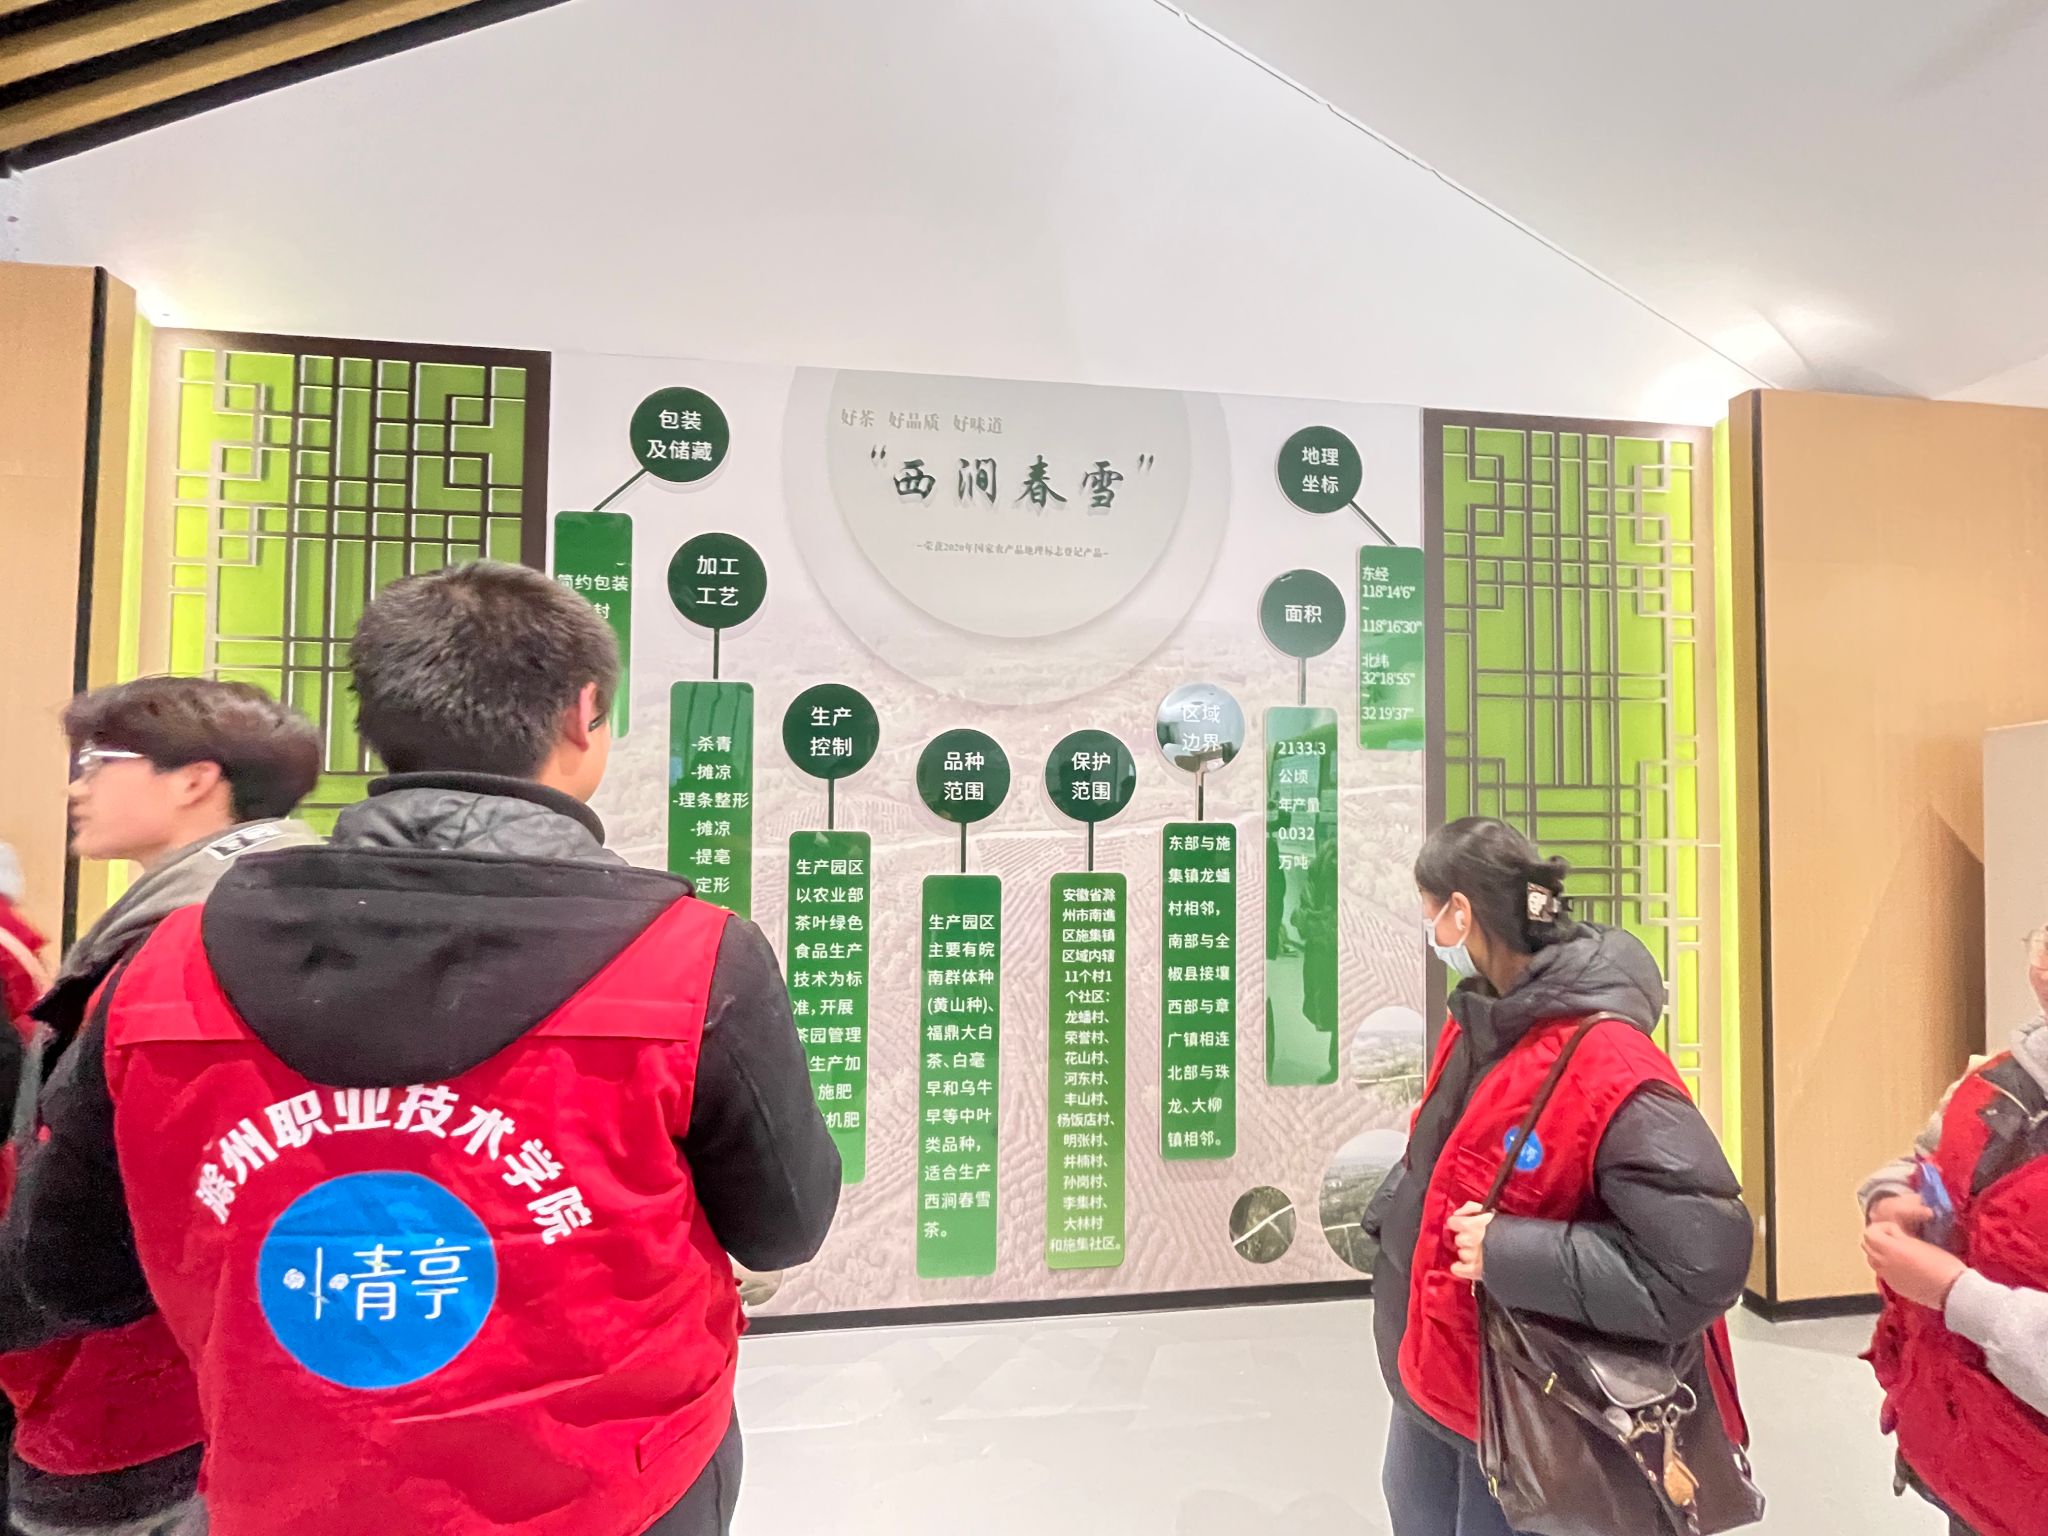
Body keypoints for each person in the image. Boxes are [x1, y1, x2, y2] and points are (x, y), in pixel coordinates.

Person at [14, 561, 840, 1536]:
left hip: (291, 1490)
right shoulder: (696, 959)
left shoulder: (164, 966)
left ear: (376, 725)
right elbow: (781, 1229)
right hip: (630, 1491)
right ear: (583, 716)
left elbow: (70, 1272)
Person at [1364, 817, 1753, 1536]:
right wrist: (1396, 1215)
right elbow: (1446, 1152)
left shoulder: (1611, 1063)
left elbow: (1703, 1262)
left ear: (1460, 913)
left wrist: (1510, 1251)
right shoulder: (1482, 1016)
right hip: (1432, 1363)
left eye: (1427, 911)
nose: (1428, 930)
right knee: (1413, 1505)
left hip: (1523, 1400)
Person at [0, 677, 321, 1536]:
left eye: (99, 761)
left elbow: (150, 1177)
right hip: (195, 1368)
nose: (76, 786)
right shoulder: (265, 915)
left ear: (195, 779)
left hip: (137, 1386)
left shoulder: (194, 945)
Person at [1858, 927, 2048, 1536]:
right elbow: (1927, 1162)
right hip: (1969, 1455)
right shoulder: (2002, 1078)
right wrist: (1892, 1198)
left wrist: (1955, 1293)